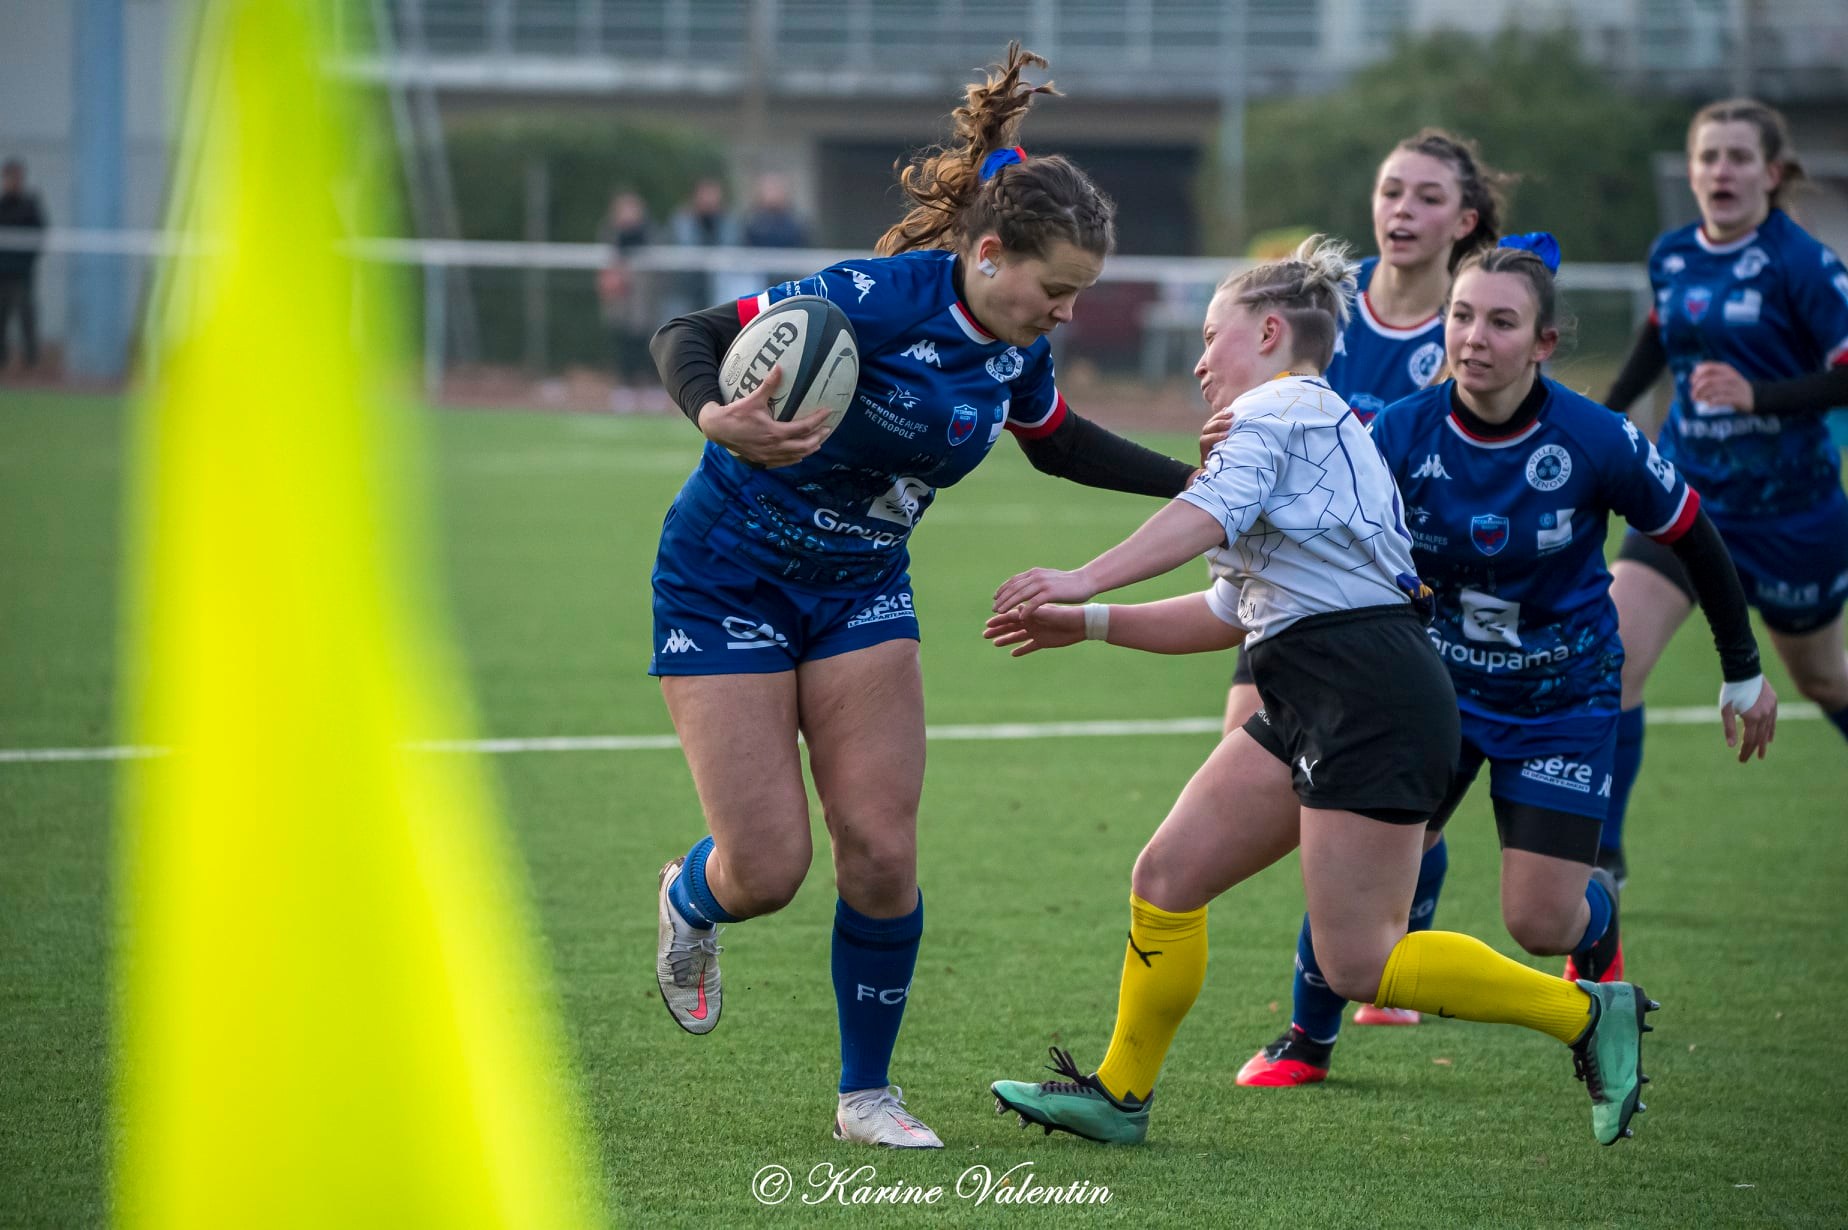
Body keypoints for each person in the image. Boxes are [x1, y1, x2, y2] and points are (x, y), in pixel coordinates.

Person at [643, 44, 1205, 1149]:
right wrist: (719, 416)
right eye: (1055, 291)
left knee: (883, 850)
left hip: (859, 591)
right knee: (769, 870)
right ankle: (692, 898)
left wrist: (1204, 484)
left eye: (1077, 297)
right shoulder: (875, 298)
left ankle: (867, 1097)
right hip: (727, 577)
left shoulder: (1012, 351)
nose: (1064, 315)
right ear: (990, 256)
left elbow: (1055, 444)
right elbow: (691, 334)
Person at [982, 236, 1660, 1151]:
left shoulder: (1285, 411)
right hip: (1321, 687)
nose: (1197, 360)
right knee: (1168, 876)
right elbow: (1231, 611)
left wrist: (1084, 578)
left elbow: (1205, 518)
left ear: (1267, 333)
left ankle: (1587, 1016)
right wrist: (1093, 621)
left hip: (1368, 690)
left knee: (1361, 962)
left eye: (1211, 336)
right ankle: (1119, 1094)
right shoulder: (1300, 428)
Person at [1229, 236, 1777, 1090]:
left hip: (1561, 698)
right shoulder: (1396, 433)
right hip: (1431, 692)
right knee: (1358, 858)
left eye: (1501, 322)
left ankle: (1596, 929)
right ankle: (1308, 1037)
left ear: (1545, 343)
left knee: (1540, 921)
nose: (1474, 338)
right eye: (1460, 316)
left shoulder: (1597, 439)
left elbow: (1693, 537)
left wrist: (1741, 666)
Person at [1219, 129, 1511, 1047]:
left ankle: (1339, 997)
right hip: (1289, 595)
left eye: (1428, 198)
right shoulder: (1323, 321)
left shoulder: (1466, 333)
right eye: (1392, 191)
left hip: (1401, 613)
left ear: (1463, 221)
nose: (1402, 211)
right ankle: (1370, 945)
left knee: (1373, 800)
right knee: (1251, 766)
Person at [1598, 99, 1848, 887]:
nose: (1720, 172)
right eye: (1708, 157)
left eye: (1739, 157)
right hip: (1686, 500)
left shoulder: (1802, 264)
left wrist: (1759, 397)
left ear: (1772, 174)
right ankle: (1601, 855)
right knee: (1614, 657)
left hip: (1791, 518)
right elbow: (1655, 343)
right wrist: (1593, 427)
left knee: (1821, 680)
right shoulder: (1673, 254)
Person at [596, 189, 657, 412]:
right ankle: (625, 386)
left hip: (641, 300)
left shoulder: (648, 234)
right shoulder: (611, 233)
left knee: (645, 339)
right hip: (621, 300)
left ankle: (649, 385)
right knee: (623, 340)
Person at [0, 158, 48, 372]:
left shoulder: (30, 205)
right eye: (10, 177)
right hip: (2, 272)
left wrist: (26, 260)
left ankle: (31, 362)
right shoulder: (2, 206)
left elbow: (39, 233)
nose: (13, 182)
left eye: (17, 177)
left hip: (22, 273)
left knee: (26, 315)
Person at [741, 172, 810, 249]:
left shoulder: (798, 222)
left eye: (776, 189)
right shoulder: (751, 222)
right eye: (769, 189)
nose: (772, 194)